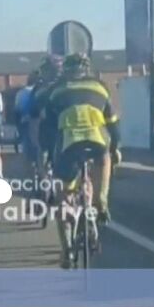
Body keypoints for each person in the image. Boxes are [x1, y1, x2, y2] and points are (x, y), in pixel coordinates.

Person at [44, 53, 122, 269]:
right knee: (105, 160)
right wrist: (115, 148)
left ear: (66, 70)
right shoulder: (101, 88)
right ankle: (101, 201)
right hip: (97, 143)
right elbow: (114, 126)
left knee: (64, 196)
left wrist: (49, 158)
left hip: (69, 146)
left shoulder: (56, 91)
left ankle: (66, 250)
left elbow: (48, 132)